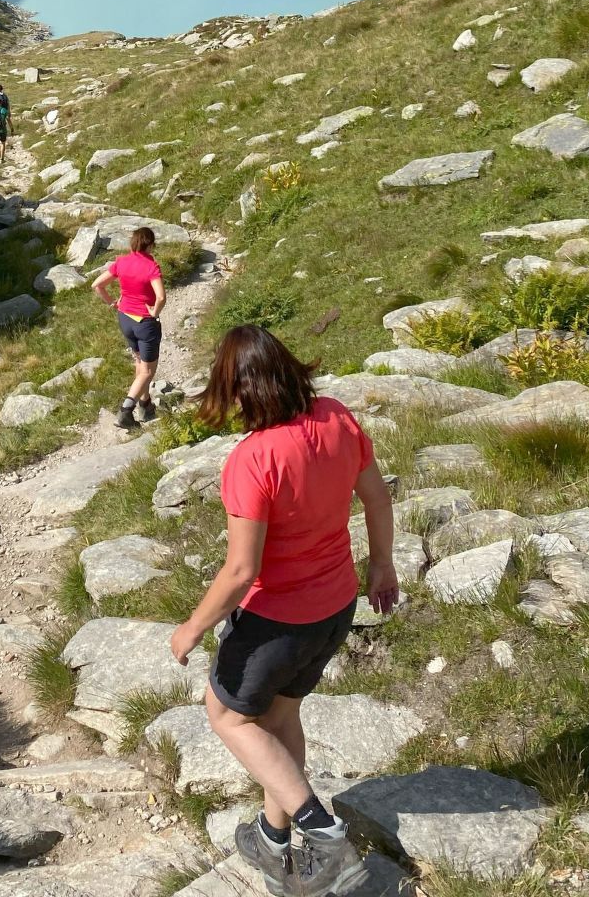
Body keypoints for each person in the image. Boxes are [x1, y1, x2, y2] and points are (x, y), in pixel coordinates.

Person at [169, 325, 399, 897]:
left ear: (239, 389)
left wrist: (192, 627)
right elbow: (376, 497)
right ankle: (272, 839)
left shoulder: (252, 459)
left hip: (276, 620)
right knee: (280, 718)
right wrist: (382, 565)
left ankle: (324, 835)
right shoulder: (337, 417)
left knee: (228, 716)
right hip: (335, 607)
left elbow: (241, 571)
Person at [92, 226, 167, 429]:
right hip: (145, 323)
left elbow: (97, 285)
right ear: (150, 245)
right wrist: (155, 312)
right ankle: (126, 411)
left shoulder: (122, 262)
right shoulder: (151, 266)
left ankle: (145, 404)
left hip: (125, 319)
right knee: (147, 372)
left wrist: (111, 302)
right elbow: (160, 297)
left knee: (139, 361)